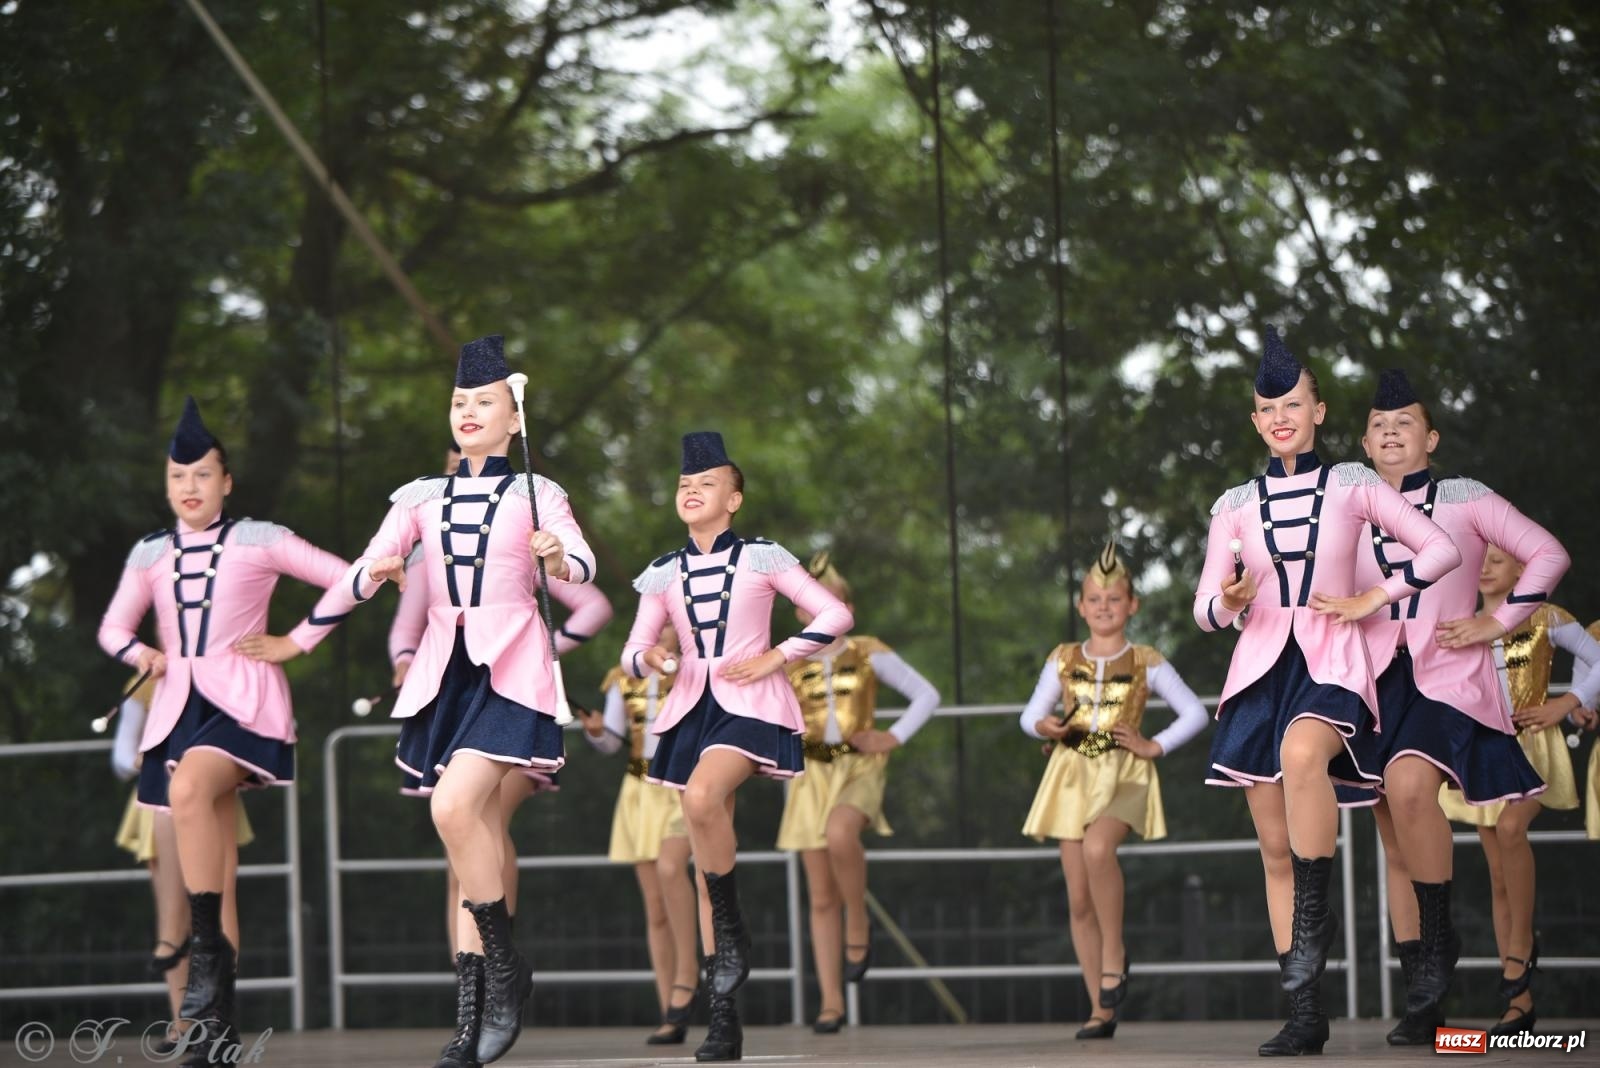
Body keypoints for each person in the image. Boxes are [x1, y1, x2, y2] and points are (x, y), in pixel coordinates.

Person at [313, 334, 598, 1068]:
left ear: (514, 420)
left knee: (452, 808)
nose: (468, 412)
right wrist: (361, 583)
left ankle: (502, 973)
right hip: (447, 676)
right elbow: (359, 573)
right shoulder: (419, 497)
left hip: (511, 669)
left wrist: (560, 557)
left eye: (485, 402)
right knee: (461, 830)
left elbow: (582, 559)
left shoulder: (539, 492)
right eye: (460, 402)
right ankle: (473, 1015)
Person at [1193, 329, 1460, 1057]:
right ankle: (1306, 1011)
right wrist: (1231, 599)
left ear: (1318, 410)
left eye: (1293, 403)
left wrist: (1377, 595)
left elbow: (1440, 549)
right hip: (1256, 672)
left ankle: (1321, 932)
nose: (1280, 415)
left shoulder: (1353, 483)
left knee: (1304, 755)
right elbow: (1204, 609)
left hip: (1332, 662)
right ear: (1255, 421)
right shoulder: (1234, 505)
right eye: (1266, 407)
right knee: (1274, 848)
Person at [97, 397, 353, 1064]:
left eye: (204, 475)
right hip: (177, 708)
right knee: (221, 870)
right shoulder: (149, 552)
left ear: (227, 481)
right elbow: (113, 630)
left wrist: (297, 641)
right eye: (179, 477)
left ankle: (201, 967)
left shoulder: (259, 539)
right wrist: (141, 656)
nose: (190, 487)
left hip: (245, 705)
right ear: (166, 483)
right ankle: (219, 1026)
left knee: (187, 791)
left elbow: (349, 578)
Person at [1336, 372, 1572, 1044]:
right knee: (1392, 834)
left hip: (1444, 678)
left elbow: (1548, 553)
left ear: (1430, 437)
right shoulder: (1346, 506)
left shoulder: (1465, 499)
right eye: (1379, 424)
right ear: (1363, 441)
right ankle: (1423, 992)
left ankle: (1439, 951)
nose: (1390, 431)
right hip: (1369, 679)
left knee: (1411, 789)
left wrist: (1501, 625)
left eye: (1405, 421)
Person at [621, 431, 853, 1063]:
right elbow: (632, 652)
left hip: (751, 707)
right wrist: (654, 655)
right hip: (689, 707)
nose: (692, 490)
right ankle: (723, 1016)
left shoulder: (764, 557)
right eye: (684, 484)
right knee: (701, 858)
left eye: (707, 482)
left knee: (700, 799)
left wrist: (778, 655)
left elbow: (833, 615)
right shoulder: (663, 572)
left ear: (735, 497)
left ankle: (730, 924)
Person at [389, 441, 613, 953]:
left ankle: (496, 966)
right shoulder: (426, 552)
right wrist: (406, 661)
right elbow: (405, 629)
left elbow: (593, 604)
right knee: (463, 839)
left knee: (475, 824)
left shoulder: (516, 530)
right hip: (452, 699)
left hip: (512, 697)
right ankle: (476, 981)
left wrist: (539, 648)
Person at [1019, 543, 1208, 1039]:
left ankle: (1115, 954)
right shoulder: (1062, 658)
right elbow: (1029, 715)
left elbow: (1194, 711)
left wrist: (1154, 745)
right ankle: (1100, 1010)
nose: (1104, 607)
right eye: (1094, 599)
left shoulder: (1146, 659)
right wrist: (1045, 726)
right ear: (1081, 606)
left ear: (1132, 605)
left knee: (1100, 848)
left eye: (1114, 599)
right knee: (1078, 898)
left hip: (1124, 773)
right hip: (1070, 775)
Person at [1428, 548, 1595, 1036]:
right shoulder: (1462, 624)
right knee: (1498, 874)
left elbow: (1596, 656)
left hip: (1534, 746)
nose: (1483, 568)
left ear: (1523, 570)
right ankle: (1518, 999)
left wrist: (1568, 702)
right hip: (1484, 753)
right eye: (1479, 559)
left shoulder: (1545, 615)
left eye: (1497, 561)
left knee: (1510, 827)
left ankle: (1519, 956)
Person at [776, 551, 939, 1034]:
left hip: (859, 766)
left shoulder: (867, 650)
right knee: (819, 894)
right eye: (810, 603)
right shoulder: (787, 658)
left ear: (847, 607)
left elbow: (926, 694)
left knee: (842, 834)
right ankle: (831, 1002)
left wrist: (893, 736)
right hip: (808, 773)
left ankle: (859, 923)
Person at [112, 669, 251, 1054]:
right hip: (160, 801)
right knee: (174, 917)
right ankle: (184, 1023)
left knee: (219, 908)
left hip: (210, 798)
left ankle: (217, 1018)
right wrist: (152, 758)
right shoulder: (146, 682)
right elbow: (124, 756)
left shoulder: (228, 674)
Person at [583, 625, 699, 1046]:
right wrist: (597, 731)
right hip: (638, 790)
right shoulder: (623, 674)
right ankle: (670, 1010)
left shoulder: (695, 668)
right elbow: (614, 741)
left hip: (681, 785)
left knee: (672, 869)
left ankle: (689, 979)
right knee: (655, 908)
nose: (663, 628)